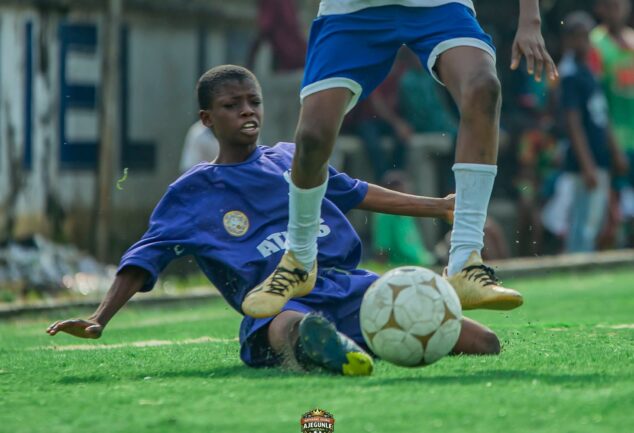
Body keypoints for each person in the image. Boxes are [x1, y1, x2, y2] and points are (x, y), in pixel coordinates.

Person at [47, 66, 501, 376]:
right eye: (232, 105)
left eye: (253, 101)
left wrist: (439, 206)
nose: (247, 111)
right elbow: (143, 258)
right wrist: (100, 317)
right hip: (277, 302)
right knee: (287, 325)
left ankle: (347, 344)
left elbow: (357, 191)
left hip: (348, 286)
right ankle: (325, 346)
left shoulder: (290, 157)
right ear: (207, 119)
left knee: (483, 342)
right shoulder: (191, 192)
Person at [243, 0, 557, 319]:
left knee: (483, 87)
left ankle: (465, 262)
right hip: (352, 11)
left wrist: (530, 20)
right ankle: (298, 260)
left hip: (437, 5)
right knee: (312, 136)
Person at [558, 12, 623, 253]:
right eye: (577, 37)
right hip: (585, 164)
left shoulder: (591, 72)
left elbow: (601, 116)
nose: (583, 43)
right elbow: (573, 123)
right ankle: (575, 264)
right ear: (568, 40)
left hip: (600, 158)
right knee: (582, 223)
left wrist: (614, 151)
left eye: (586, 37)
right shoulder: (570, 75)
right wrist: (587, 166)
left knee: (595, 221)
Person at [589, 0, 634, 242]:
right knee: (611, 219)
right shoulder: (594, 44)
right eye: (610, 4)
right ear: (600, 8)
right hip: (612, 143)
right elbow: (596, 102)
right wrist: (613, 146)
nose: (617, 8)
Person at [372, 171, 435, 266]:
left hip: (423, 261)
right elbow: (382, 250)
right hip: (401, 267)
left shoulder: (407, 214)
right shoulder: (384, 216)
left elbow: (416, 248)